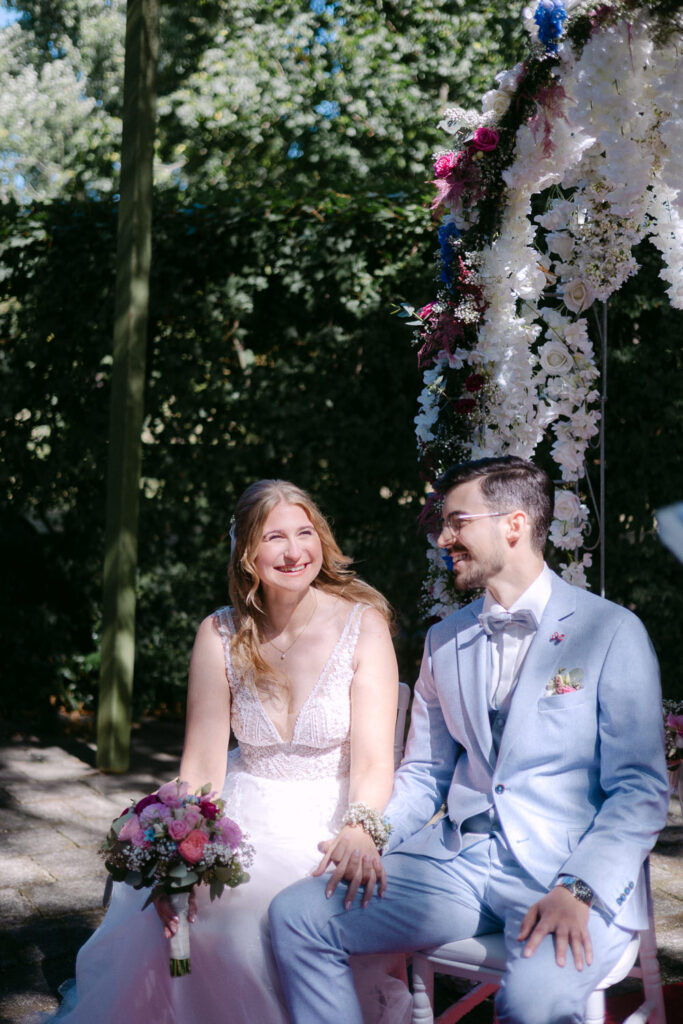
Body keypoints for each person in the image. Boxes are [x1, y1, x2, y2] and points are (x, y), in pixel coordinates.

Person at [269, 456, 670, 1024]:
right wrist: (371, 832)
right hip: (454, 866)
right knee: (297, 914)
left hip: (564, 874)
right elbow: (425, 773)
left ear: (513, 524)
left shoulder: (610, 631)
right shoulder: (444, 640)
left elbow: (639, 791)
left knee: (533, 1006)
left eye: (458, 522)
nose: (444, 539)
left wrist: (579, 888)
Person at [48, 479, 411, 1024]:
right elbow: (200, 769)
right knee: (181, 912)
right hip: (244, 814)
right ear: (247, 553)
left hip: (333, 817)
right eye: (274, 538)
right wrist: (180, 860)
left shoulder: (363, 625)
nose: (294, 552)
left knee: (247, 924)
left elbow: (376, 761)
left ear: (323, 539)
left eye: (305, 533)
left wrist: (360, 827)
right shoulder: (219, 634)